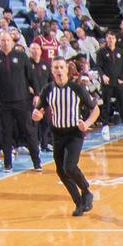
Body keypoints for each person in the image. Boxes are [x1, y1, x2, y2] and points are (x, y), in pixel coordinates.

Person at [31, 57, 101, 216]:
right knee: (61, 171)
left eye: (61, 67)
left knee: (69, 166)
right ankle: (78, 202)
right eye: (56, 67)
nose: (59, 70)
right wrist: (37, 115)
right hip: (57, 133)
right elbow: (38, 111)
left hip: (74, 133)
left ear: (67, 70)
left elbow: (95, 109)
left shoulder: (76, 88)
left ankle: (86, 191)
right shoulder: (48, 89)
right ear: (52, 70)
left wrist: (87, 123)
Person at [0, 29, 40, 171]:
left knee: (28, 131)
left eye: (8, 40)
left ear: (12, 41)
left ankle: (37, 162)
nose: (5, 43)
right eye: (3, 40)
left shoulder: (21, 55)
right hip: (4, 102)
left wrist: (37, 94)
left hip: (22, 100)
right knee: (6, 133)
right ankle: (7, 164)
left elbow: (31, 76)